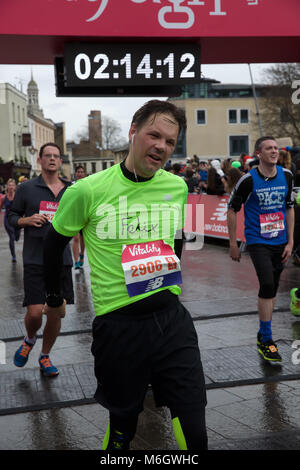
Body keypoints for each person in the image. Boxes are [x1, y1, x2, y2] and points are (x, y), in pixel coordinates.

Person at [42, 100, 207, 451]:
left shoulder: (177, 188)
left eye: (170, 141)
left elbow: (177, 238)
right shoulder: (87, 190)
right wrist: (55, 298)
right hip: (119, 327)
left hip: (171, 323)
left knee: (195, 427)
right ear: (133, 132)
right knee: (122, 429)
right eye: (154, 135)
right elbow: (52, 243)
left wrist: (172, 284)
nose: (161, 146)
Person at [8, 143, 74, 377]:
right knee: (35, 313)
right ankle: (29, 339)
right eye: (48, 156)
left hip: (62, 259)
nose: (53, 159)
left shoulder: (71, 189)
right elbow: (12, 216)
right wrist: (26, 221)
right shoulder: (27, 188)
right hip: (35, 258)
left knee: (55, 312)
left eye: (56, 156)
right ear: (40, 160)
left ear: (60, 160)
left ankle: (45, 356)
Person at [227, 136, 294, 362]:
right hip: (258, 241)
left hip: (281, 241)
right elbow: (231, 209)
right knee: (266, 283)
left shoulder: (287, 175)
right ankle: (266, 339)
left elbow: (290, 208)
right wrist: (233, 243)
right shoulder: (248, 180)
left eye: (276, 148)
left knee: (272, 289)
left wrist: (291, 241)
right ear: (259, 154)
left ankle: (262, 331)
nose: (274, 151)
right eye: (269, 148)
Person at [0, 178, 21, 262]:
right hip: (7, 220)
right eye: (9, 185)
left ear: (15, 187)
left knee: (17, 238)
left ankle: (17, 235)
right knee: (12, 237)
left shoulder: (18, 196)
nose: (11, 187)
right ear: (7, 187)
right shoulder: (3, 198)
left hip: (17, 220)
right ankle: (13, 256)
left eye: (12, 185)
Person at [72, 165, 86, 269]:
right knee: (75, 238)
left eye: (82, 172)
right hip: (75, 215)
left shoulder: (88, 185)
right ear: (75, 173)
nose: (80, 173)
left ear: (84, 174)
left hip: (85, 215)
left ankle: (82, 255)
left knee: (83, 238)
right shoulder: (72, 186)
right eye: (78, 172)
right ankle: (76, 261)